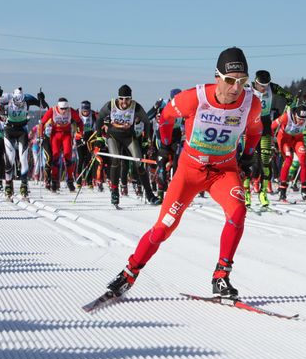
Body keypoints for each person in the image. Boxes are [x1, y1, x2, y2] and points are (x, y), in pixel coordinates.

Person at [103, 47, 262, 300]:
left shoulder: (250, 102)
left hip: (223, 170)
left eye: (242, 81)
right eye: (231, 81)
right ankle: (129, 272)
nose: (236, 88)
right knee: (164, 227)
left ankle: (221, 276)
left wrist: (250, 155)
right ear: (217, 77)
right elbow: (165, 118)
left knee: (238, 211)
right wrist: (164, 147)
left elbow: (255, 130)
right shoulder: (194, 98)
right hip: (190, 170)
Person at [95, 85, 161, 206]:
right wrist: (99, 137)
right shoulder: (111, 105)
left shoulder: (136, 107)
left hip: (129, 137)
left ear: (131, 98)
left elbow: (147, 122)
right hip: (113, 137)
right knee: (115, 160)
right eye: (121, 98)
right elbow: (99, 119)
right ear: (118, 98)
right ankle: (114, 192)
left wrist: (146, 141)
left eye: (127, 98)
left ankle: (150, 195)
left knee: (139, 162)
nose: (124, 102)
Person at [246, 70, 294, 207]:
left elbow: (290, 97)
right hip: (250, 127)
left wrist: (290, 105)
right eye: (261, 85)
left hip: (265, 125)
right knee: (248, 162)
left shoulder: (272, 87)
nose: (264, 88)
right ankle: (246, 193)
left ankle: (263, 193)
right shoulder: (247, 88)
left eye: (266, 85)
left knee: (265, 162)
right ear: (256, 82)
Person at [0, 88, 47, 199]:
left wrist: (41, 98)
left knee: (23, 159)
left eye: (21, 103)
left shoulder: (27, 98)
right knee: (10, 158)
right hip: (9, 130)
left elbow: (42, 105)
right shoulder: (6, 98)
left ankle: (24, 185)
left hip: (22, 131)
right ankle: (8, 185)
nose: (19, 105)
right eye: (17, 103)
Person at [273, 103, 306, 202]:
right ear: (294, 115)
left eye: (303, 120)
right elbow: (272, 126)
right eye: (299, 119)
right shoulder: (286, 116)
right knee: (289, 160)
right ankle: (282, 190)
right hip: (284, 139)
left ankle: (305, 190)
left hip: (298, 139)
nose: (301, 122)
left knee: (303, 160)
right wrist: (271, 141)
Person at [39, 97, 82, 192]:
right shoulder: (52, 110)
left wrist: (80, 134)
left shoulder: (71, 111)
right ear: (58, 107)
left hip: (66, 135)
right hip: (55, 136)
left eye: (65, 108)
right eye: (62, 109)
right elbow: (42, 123)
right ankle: (54, 181)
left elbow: (79, 122)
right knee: (55, 157)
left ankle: (70, 181)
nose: (64, 111)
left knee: (68, 157)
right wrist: (41, 136)